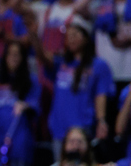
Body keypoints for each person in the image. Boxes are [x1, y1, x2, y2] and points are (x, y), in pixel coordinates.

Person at [47, 17, 114, 146]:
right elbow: (44, 58)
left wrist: (101, 121)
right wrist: (33, 35)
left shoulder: (98, 65)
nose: (70, 39)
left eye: (75, 35)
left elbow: (101, 95)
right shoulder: (61, 63)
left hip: (83, 129)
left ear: (86, 37)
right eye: (68, 36)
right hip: (59, 129)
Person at [0, 41, 40, 166]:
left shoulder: (30, 80)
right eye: (10, 54)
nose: (13, 58)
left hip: (17, 135)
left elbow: (35, 105)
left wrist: (25, 105)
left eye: (17, 55)